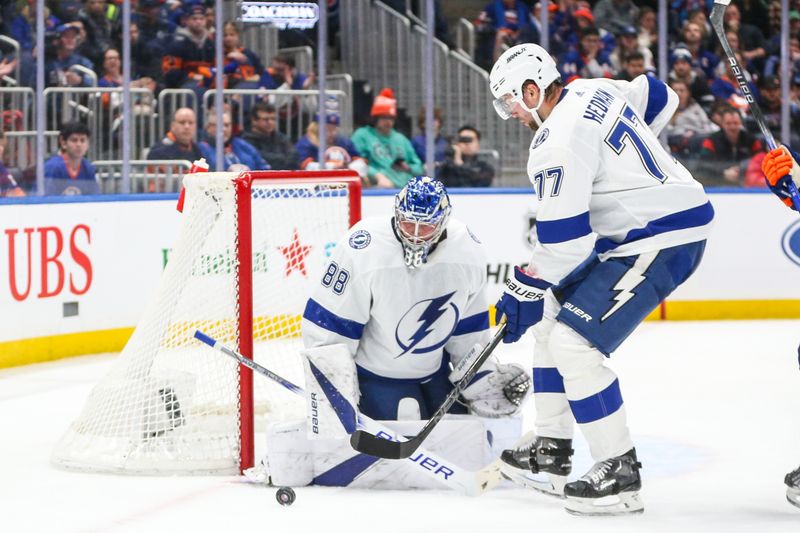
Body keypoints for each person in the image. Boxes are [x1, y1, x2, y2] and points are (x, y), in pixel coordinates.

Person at [488, 43, 713, 515]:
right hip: (646, 229)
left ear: (532, 90)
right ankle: (550, 451)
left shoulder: (556, 142)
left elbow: (565, 244)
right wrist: (625, 164)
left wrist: (521, 288)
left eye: (511, 102)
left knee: (572, 344)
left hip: (662, 237)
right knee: (552, 318)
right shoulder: (592, 89)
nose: (511, 115)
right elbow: (659, 95)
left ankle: (620, 470)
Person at [302, 175, 528, 420]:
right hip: (374, 377)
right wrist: (334, 390)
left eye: (427, 226)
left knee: (459, 441)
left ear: (444, 221)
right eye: (409, 224)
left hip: (435, 373)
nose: (416, 235)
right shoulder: (364, 248)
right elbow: (331, 325)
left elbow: (468, 328)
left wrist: (480, 378)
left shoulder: (466, 249)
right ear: (397, 214)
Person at [351, 88, 423, 188]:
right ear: (375, 118)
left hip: (406, 190)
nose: (388, 122)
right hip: (377, 189)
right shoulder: (363, 135)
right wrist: (378, 176)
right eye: (384, 117)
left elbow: (419, 168)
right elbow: (356, 163)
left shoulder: (401, 139)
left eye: (391, 118)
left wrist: (408, 168)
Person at [696, 106, 764, 187]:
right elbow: (702, 165)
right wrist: (723, 172)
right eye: (728, 123)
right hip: (717, 183)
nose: (732, 127)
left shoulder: (752, 140)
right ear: (722, 124)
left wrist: (742, 170)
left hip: (746, 183)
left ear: (741, 123)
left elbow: (761, 161)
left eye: (735, 123)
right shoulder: (711, 141)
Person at [295, 112, 364, 176]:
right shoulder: (305, 144)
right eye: (327, 129)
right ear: (316, 128)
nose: (332, 133)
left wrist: (349, 167)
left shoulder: (344, 142)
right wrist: (333, 166)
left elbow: (358, 160)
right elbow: (305, 167)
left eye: (334, 129)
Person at [199, 109, 269, 171]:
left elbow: (264, 167)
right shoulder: (201, 149)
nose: (224, 129)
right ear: (208, 127)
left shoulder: (242, 144)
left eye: (227, 125)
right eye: (219, 125)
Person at [44, 121, 99, 195]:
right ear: (63, 142)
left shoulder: (88, 168)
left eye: (83, 140)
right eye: (74, 140)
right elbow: (47, 200)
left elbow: (94, 198)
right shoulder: (52, 167)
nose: (79, 144)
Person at [241, 102, 299, 170]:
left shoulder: (281, 137)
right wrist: (284, 159)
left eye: (273, 119)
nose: (270, 122)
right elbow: (259, 159)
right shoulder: (246, 140)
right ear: (254, 120)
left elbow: (295, 155)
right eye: (266, 119)